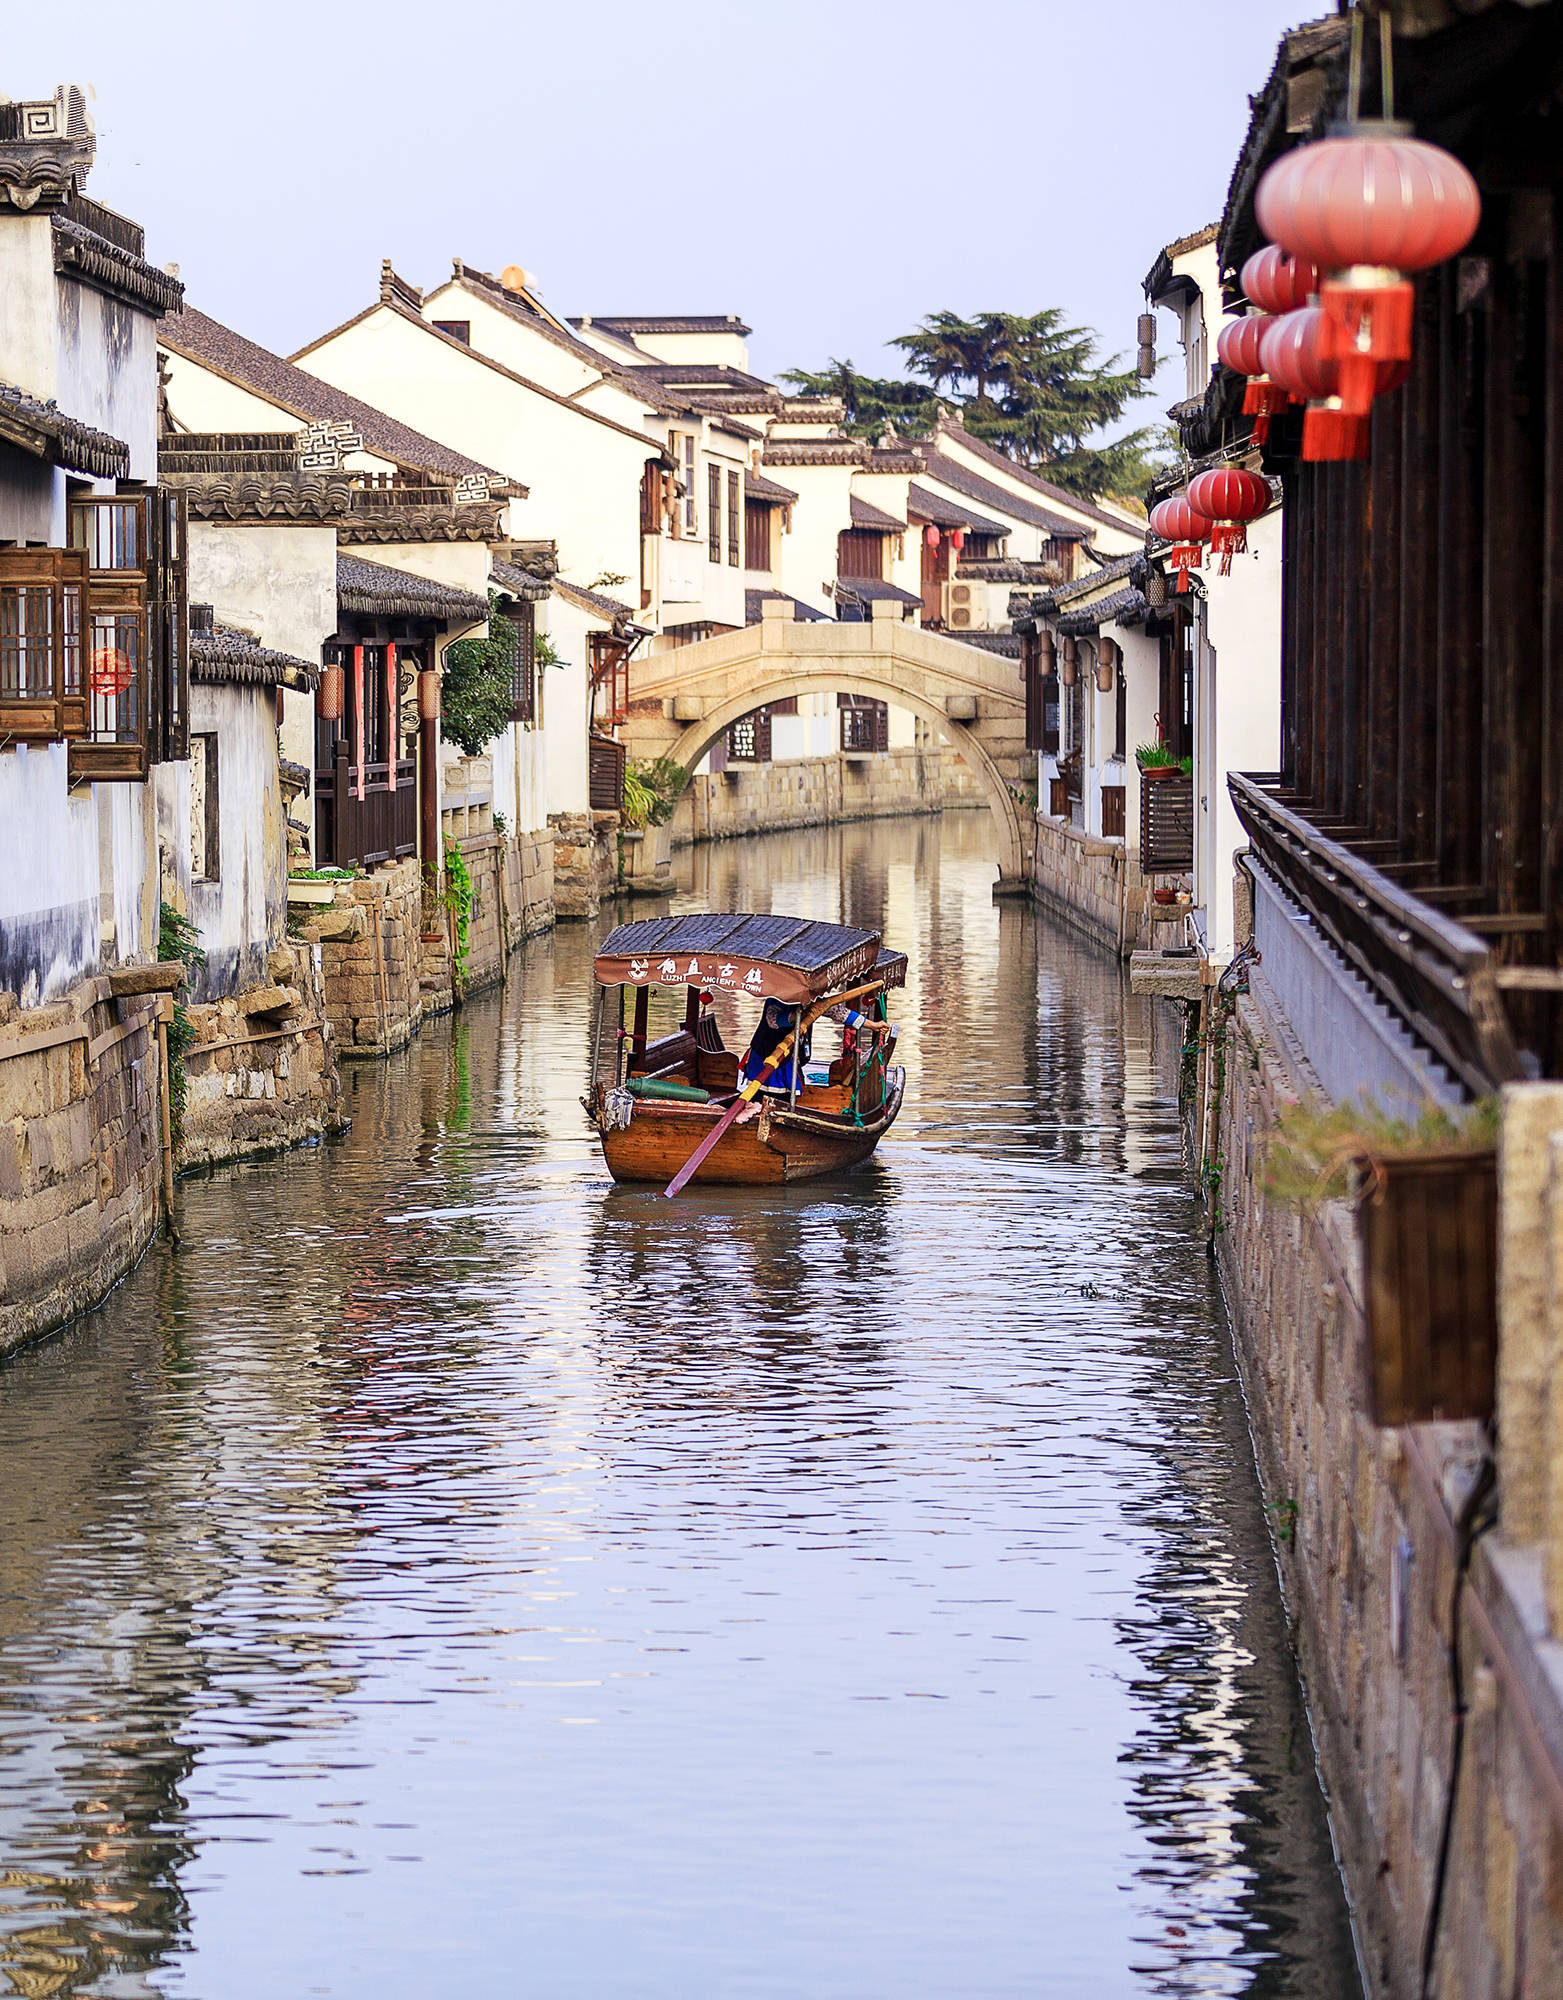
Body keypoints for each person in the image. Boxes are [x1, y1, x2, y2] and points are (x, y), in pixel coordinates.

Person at [739, 998, 804, 1094]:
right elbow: (773, 1020)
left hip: (789, 1054)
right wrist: (798, 1016)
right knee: (761, 1095)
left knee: (787, 1094)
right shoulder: (777, 996)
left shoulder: (808, 996)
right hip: (766, 1053)